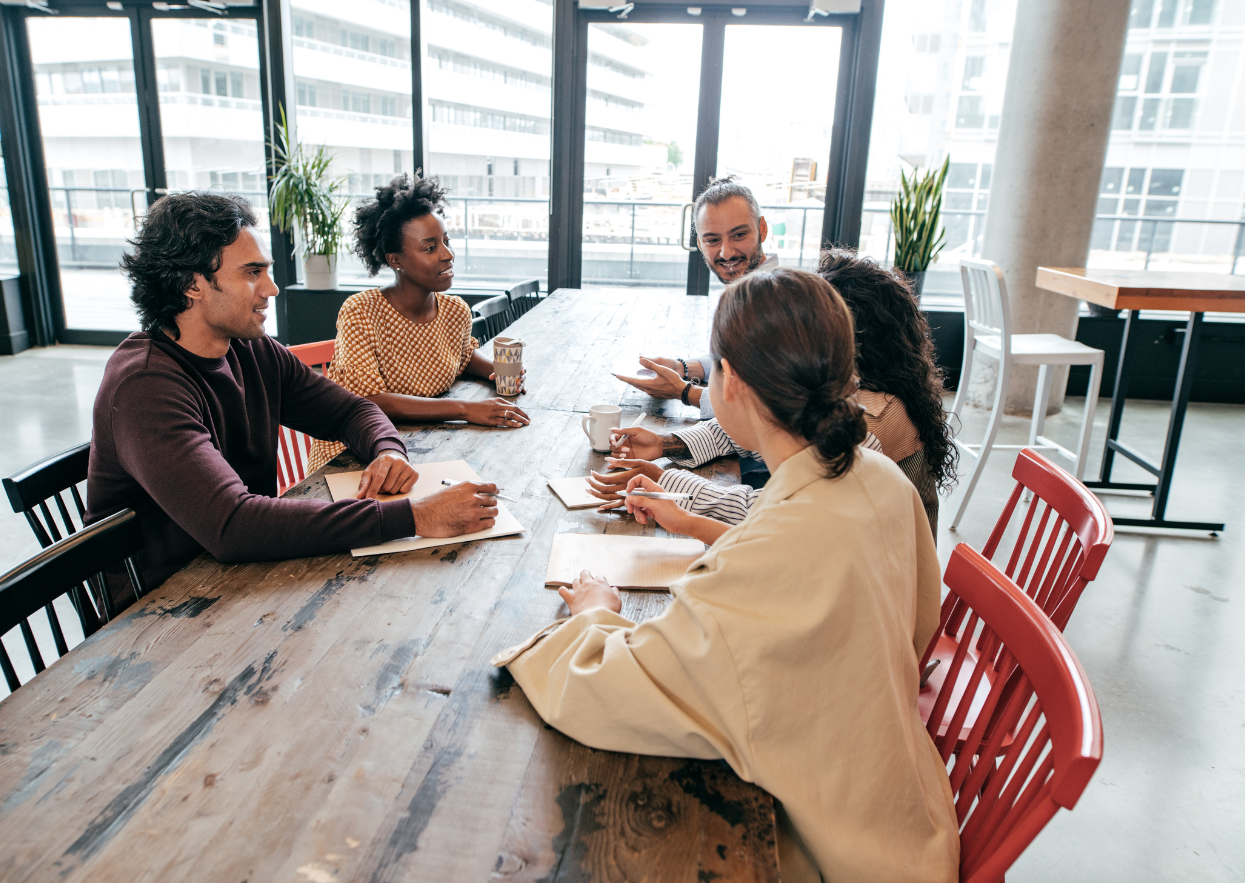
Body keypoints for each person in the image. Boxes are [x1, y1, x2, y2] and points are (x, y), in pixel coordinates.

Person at [495, 268, 958, 882]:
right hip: (903, 805)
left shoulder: (773, 552)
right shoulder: (879, 479)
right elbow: (916, 623)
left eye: (710, 370)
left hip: (835, 851)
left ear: (731, 381)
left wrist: (595, 614)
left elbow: (612, 689)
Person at [87, 193, 497, 609]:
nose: (272, 288)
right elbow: (232, 525)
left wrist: (387, 450)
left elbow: (353, 409)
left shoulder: (251, 349)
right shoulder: (145, 385)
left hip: (247, 575)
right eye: (252, 273)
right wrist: (414, 516)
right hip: (164, 614)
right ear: (192, 284)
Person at [600, 251, 958, 538]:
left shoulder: (872, 419)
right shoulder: (842, 394)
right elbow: (761, 422)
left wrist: (669, 480)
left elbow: (771, 515)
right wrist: (668, 445)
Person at [307, 173, 529, 472]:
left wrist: (498, 371)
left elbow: (461, 356)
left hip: (421, 444)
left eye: (446, 242)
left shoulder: (455, 310)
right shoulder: (361, 311)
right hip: (354, 455)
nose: (448, 255)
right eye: (430, 248)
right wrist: (466, 409)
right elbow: (371, 400)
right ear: (395, 260)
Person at [612, 176, 772, 487]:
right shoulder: (748, 294)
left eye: (739, 234)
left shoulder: (778, 303)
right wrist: (684, 368)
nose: (726, 252)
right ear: (699, 243)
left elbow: (755, 418)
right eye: (712, 240)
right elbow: (735, 362)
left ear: (762, 229)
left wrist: (683, 391)